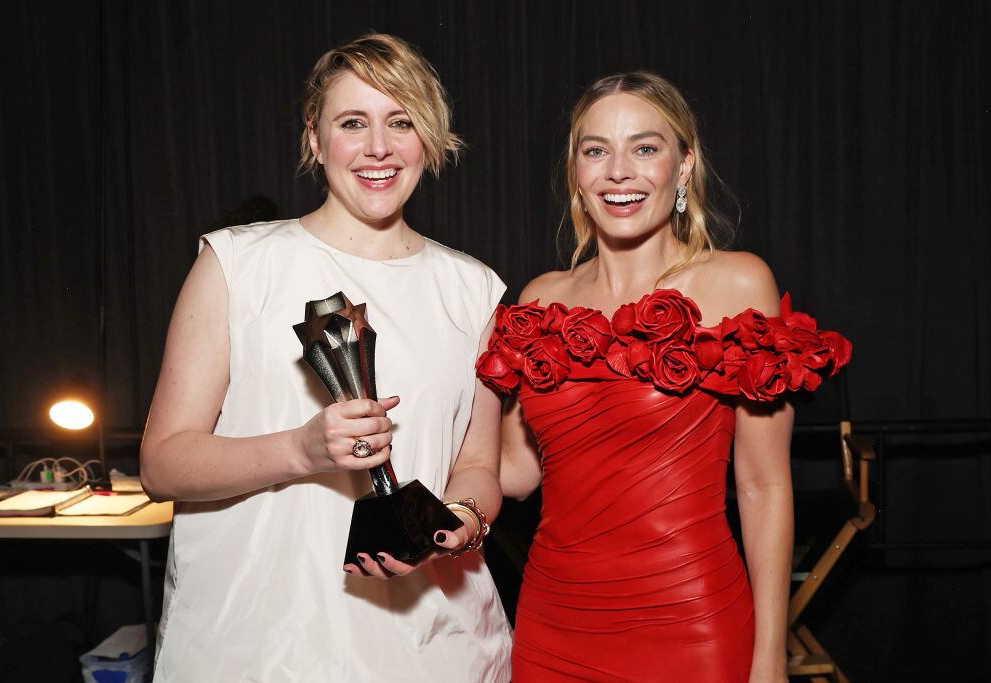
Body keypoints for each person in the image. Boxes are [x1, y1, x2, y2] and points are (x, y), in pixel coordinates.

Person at [141, 34, 512, 682]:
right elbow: (163, 462)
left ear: (427, 137)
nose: (378, 147)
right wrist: (301, 450)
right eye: (352, 123)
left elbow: (479, 465)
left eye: (401, 122)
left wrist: (455, 523)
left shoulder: (474, 289)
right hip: (258, 645)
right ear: (315, 138)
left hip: (431, 647)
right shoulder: (237, 264)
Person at [476, 72, 852, 682]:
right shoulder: (541, 298)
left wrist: (769, 660)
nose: (618, 171)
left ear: (685, 165)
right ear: (576, 171)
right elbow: (517, 473)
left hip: (692, 625)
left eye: (645, 148)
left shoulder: (738, 284)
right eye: (596, 150)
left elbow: (763, 489)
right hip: (553, 626)